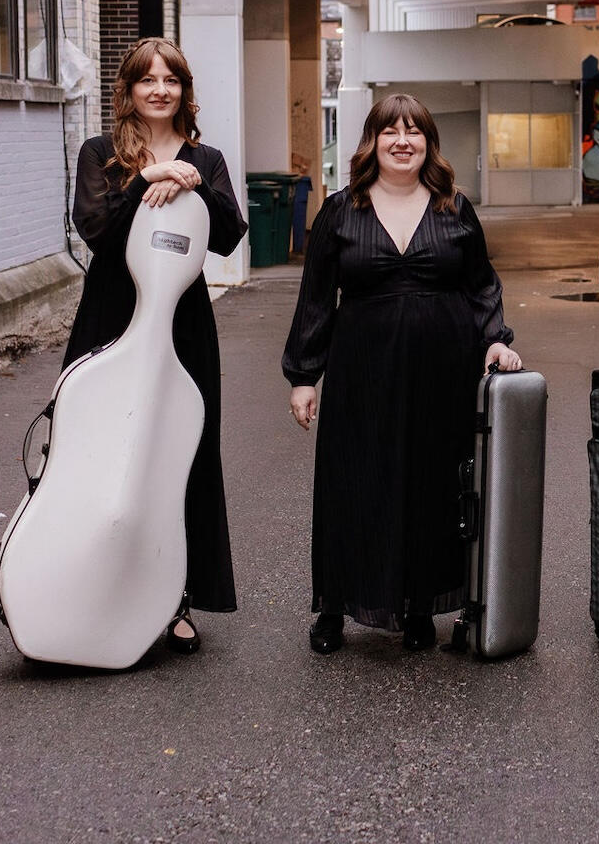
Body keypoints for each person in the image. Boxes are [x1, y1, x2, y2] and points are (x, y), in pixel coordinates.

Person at [283, 94, 522, 655]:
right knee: (354, 481)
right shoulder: (340, 211)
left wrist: (495, 341)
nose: (402, 141)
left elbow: (481, 284)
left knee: (432, 484)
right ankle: (336, 605)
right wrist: (303, 376)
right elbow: (316, 300)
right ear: (371, 142)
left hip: (444, 368)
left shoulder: (454, 208)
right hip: (362, 367)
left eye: (414, 131)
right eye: (390, 131)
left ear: (428, 145)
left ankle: (418, 603)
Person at [63, 37, 247, 655]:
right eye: (148, 80)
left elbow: (228, 237)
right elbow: (96, 231)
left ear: (185, 92)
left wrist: (194, 184)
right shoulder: (100, 155)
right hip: (112, 316)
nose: (160, 89)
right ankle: (91, 591)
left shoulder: (207, 157)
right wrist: (146, 176)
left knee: (179, 454)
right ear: (130, 90)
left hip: (183, 323)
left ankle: (176, 601)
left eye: (172, 80)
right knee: (98, 453)